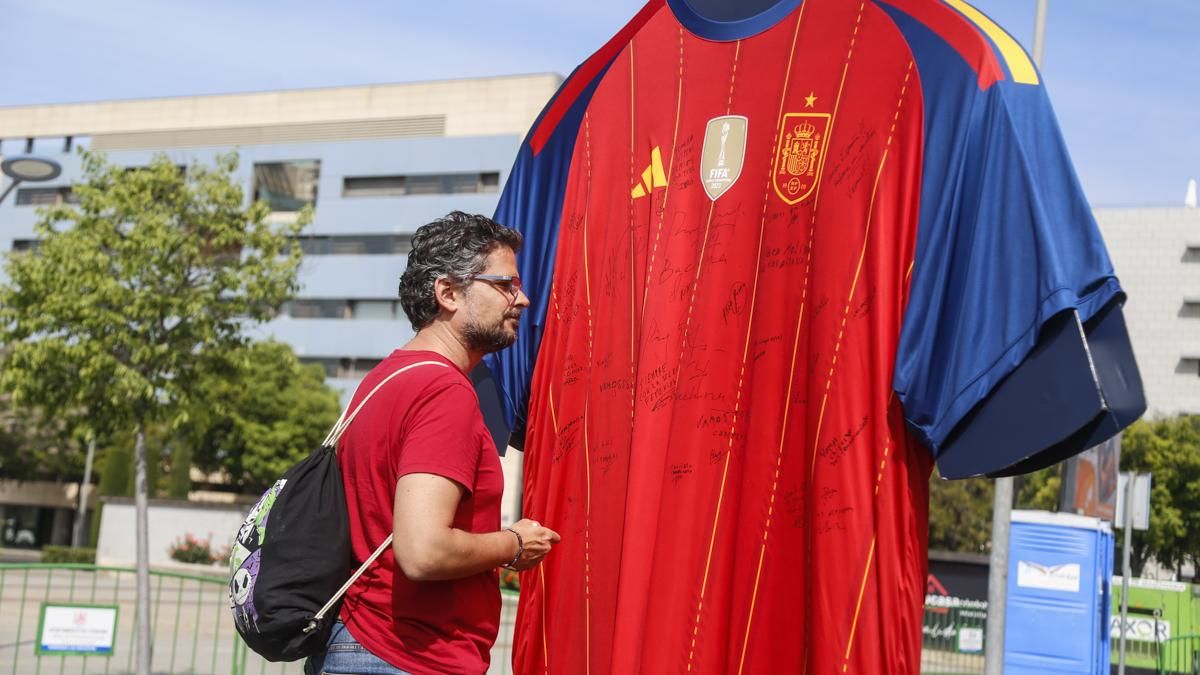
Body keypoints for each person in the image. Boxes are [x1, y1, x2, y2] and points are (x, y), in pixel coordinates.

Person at [306, 211, 561, 675]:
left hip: (362, 643)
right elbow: (423, 551)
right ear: (448, 293)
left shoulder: (384, 378)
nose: (522, 299)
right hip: (404, 655)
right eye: (505, 284)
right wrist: (514, 544)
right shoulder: (444, 393)